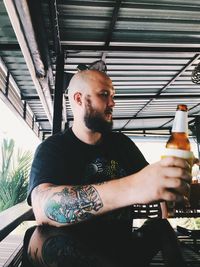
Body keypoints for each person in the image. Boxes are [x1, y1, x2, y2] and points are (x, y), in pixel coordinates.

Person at [27, 69, 192, 266]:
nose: (112, 103)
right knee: (36, 237)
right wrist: (132, 187)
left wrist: (169, 188)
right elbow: (43, 207)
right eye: (104, 95)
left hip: (121, 250)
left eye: (113, 96)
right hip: (72, 255)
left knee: (161, 227)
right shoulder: (53, 149)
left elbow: (153, 184)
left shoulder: (122, 145)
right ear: (79, 99)